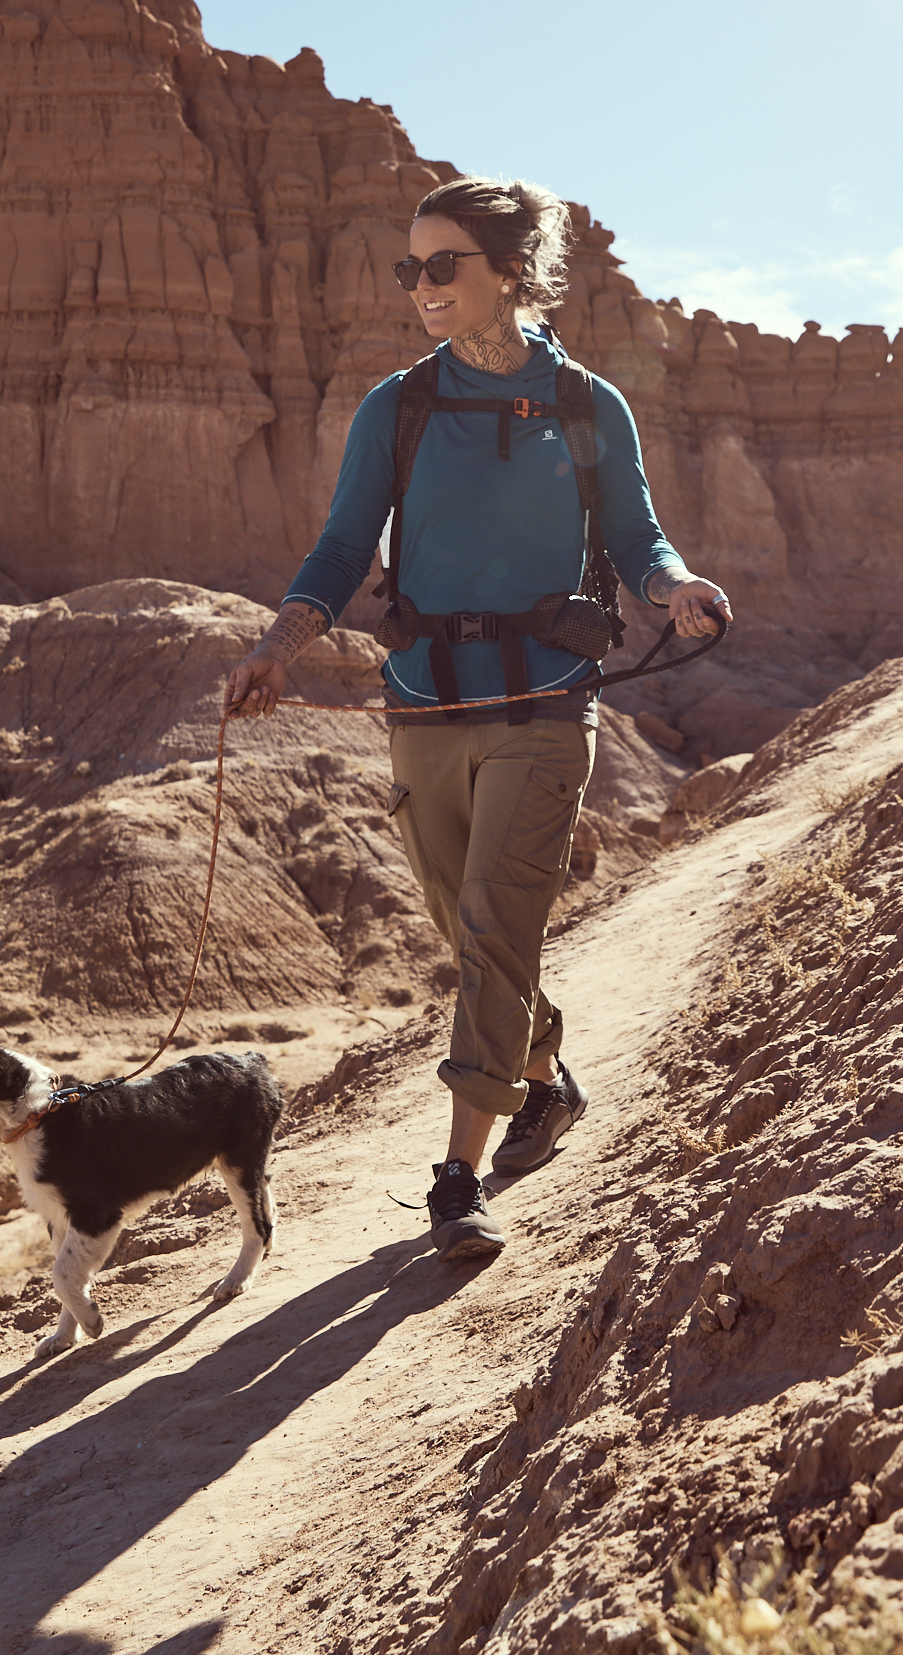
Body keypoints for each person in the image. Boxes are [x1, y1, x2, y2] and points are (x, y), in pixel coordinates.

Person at [222, 176, 730, 1261]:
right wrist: (279, 643)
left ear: (510, 270)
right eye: (410, 268)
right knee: (468, 931)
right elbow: (344, 545)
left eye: (441, 264)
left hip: (548, 703)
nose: (420, 287)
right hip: (424, 703)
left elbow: (639, 534)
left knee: (499, 924)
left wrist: (675, 587)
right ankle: (544, 1077)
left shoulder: (591, 403)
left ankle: (457, 1178)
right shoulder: (395, 407)